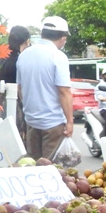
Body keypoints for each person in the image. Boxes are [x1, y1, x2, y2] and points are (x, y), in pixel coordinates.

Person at [17, 16, 73, 160]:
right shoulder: (58, 56)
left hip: (31, 122)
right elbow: (64, 91)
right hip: (53, 124)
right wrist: (70, 121)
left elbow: (20, 89)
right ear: (63, 38)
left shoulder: (24, 55)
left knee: (32, 165)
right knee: (50, 170)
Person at [0, 26, 31, 138]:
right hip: (18, 104)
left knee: (4, 137)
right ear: (27, 41)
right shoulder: (22, 59)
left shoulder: (3, 57)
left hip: (2, 102)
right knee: (18, 138)